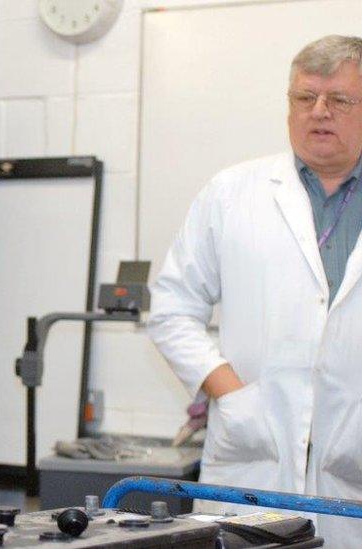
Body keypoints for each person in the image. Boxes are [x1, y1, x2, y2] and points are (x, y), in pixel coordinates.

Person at [148, 34, 362, 547]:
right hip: (253, 458)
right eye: (303, 97)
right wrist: (231, 392)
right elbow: (172, 308)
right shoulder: (232, 193)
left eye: (339, 99)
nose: (318, 112)